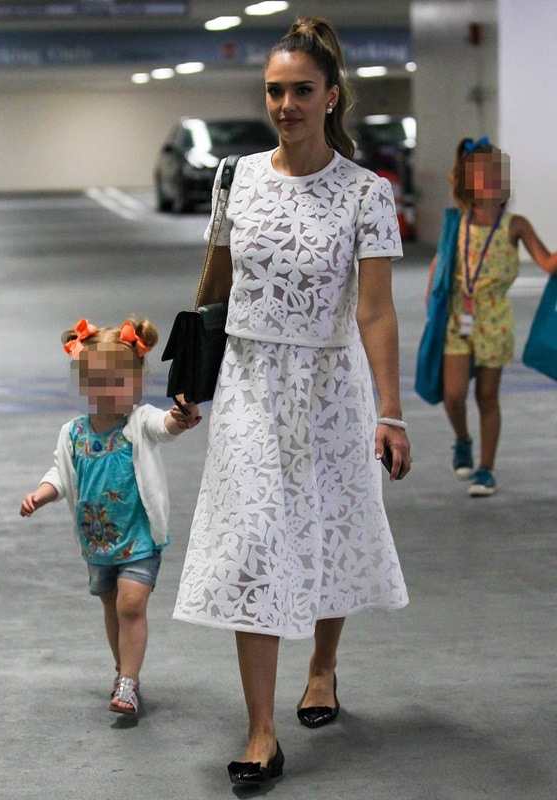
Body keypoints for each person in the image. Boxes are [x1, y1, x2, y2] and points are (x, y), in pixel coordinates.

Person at [172, 17, 411, 785]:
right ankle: (261, 732)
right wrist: (188, 377)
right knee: (255, 544)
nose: (286, 104)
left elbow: (374, 311)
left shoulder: (366, 195)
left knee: (326, 526)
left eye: (302, 90)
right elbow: (215, 284)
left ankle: (323, 668)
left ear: (331, 96)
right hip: (248, 383)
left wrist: (391, 410)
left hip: (329, 387)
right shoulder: (235, 177)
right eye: (275, 90)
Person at [20, 318, 201, 716]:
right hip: (97, 541)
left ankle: (129, 682)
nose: (106, 392)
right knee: (111, 606)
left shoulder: (139, 421)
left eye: (118, 383)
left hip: (138, 537)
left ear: (135, 384)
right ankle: (123, 664)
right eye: (96, 383)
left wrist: (179, 417)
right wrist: (41, 495)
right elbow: (60, 474)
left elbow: (164, 426)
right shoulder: (72, 433)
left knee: (131, 604)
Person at [427, 137, 557, 497]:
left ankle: (486, 469)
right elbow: (441, 263)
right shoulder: (457, 221)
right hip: (458, 317)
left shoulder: (516, 225)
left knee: (487, 396)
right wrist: (431, 307)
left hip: (495, 319)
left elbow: (547, 262)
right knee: (453, 394)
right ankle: (462, 440)